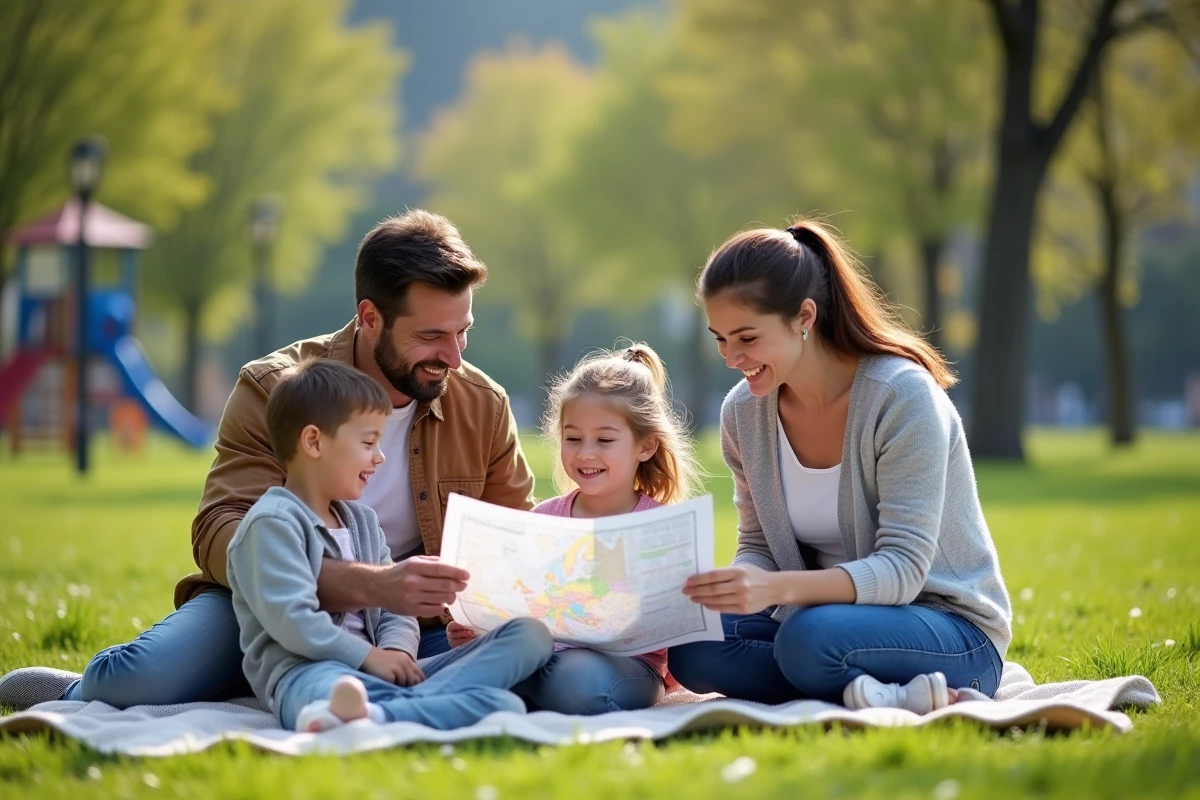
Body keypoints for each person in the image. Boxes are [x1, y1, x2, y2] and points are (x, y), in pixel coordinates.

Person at [0, 210, 536, 711]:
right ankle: (80, 691)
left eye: (463, 331)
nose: (455, 356)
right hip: (266, 601)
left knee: (543, 668)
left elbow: (515, 540)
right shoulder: (274, 387)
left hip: (412, 622)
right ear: (370, 318)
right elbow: (218, 528)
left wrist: (481, 610)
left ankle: (350, 692)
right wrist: (362, 583)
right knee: (137, 681)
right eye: (431, 336)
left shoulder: (482, 405)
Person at [667, 219, 1012, 714]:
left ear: (804, 316)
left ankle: (848, 679)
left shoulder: (901, 397)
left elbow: (903, 570)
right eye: (720, 339)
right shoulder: (742, 413)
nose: (731, 357)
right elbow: (760, 545)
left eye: (746, 337)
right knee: (692, 642)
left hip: (946, 628)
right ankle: (871, 692)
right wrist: (729, 586)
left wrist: (777, 589)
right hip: (818, 623)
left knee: (809, 639)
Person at [227, 358, 551, 732]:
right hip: (309, 673)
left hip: (380, 671)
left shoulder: (362, 521)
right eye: (368, 442)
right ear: (314, 441)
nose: (379, 457)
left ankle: (374, 714)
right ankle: (386, 710)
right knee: (499, 703)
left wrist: (396, 654)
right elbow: (292, 622)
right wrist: (368, 657)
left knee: (530, 636)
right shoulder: (272, 523)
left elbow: (396, 611)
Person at [447, 343, 703, 714]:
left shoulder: (660, 527)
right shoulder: (544, 519)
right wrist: (478, 629)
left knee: (575, 682)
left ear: (645, 447)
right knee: (502, 655)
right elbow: (519, 601)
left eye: (604, 440)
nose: (585, 453)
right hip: (541, 653)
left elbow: (677, 630)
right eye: (572, 438)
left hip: (627, 665)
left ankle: (507, 692)